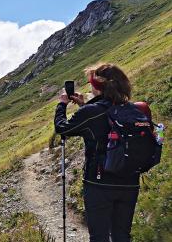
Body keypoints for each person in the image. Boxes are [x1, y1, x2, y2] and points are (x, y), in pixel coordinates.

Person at [54, 63, 140, 242]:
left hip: (99, 183)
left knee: (99, 237)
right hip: (130, 183)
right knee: (122, 236)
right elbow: (105, 117)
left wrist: (62, 105)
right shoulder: (134, 110)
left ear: (98, 86)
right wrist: (84, 105)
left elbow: (62, 129)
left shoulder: (91, 112)